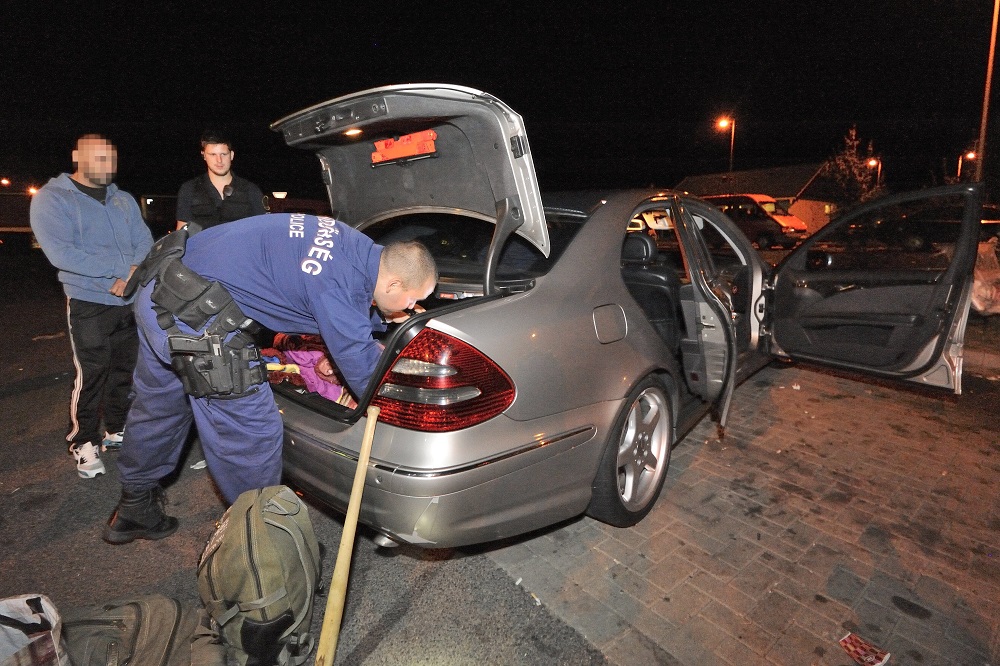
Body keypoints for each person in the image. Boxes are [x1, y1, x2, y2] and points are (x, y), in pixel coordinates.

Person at [103, 213, 437, 544]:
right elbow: (364, 370)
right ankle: (267, 546)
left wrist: (381, 317)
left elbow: (325, 301)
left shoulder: (355, 245)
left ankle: (135, 506)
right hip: (192, 316)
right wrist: (412, 411)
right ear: (393, 284)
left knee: (159, 406)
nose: (411, 306)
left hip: (159, 291)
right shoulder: (340, 283)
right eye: (413, 299)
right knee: (253, 432)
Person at [29, 134, 154, 478]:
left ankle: (116, 429)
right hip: (88, 301)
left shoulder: (122, 199)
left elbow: (144, 240)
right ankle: (82, 440)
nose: (107, 165)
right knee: (91, 373)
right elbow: (62, 254)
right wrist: (122, 269)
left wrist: (132, 274)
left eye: (111, 158)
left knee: (125, 370)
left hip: (128, 299)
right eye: (99, 158)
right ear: (77, 156)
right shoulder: (52, 198)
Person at [174, 131, 267, 233]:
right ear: (204, 155)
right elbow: (181, 235)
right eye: (213, 154)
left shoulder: (251, 190)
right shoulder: (189, 189)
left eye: (223, 154)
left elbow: (263, 230)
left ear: (231, 155)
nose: (219, 160)